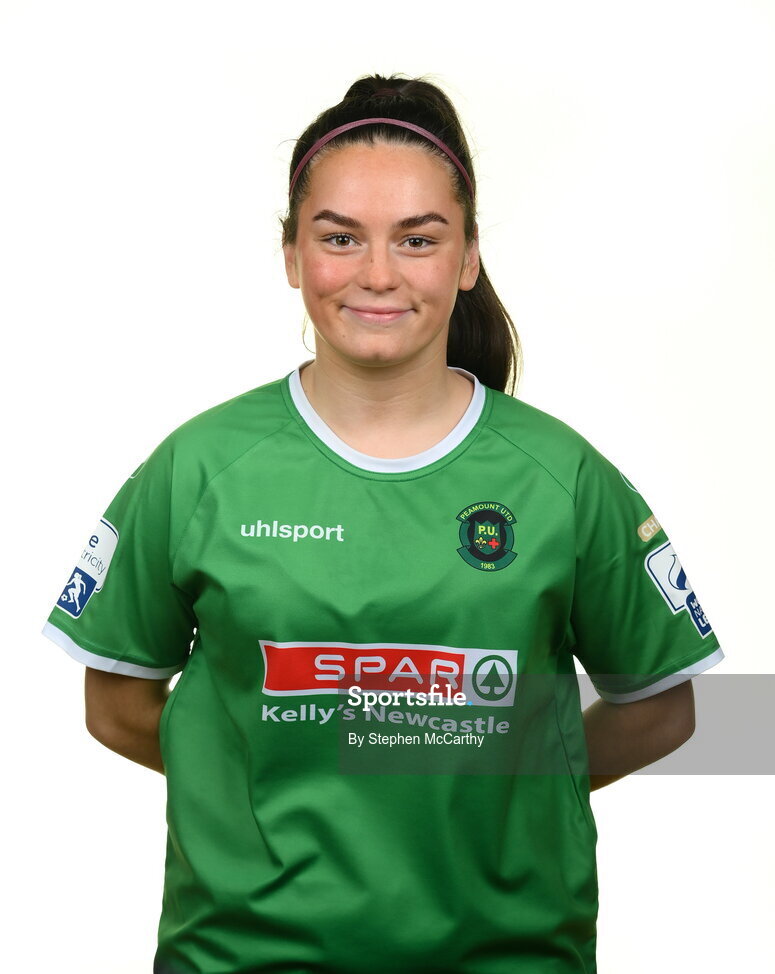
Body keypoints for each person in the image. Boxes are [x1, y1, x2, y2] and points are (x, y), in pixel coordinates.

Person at [41, 73, 724, 974]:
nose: (376, 274)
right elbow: (117, 707)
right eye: (339, 238)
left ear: (467, 258)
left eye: (417, 239)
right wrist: (267, 769)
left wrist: (497, 782)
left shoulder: (560, 478)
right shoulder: (198, 469)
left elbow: (661, 709)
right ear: (292, 255)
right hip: (245, 959)